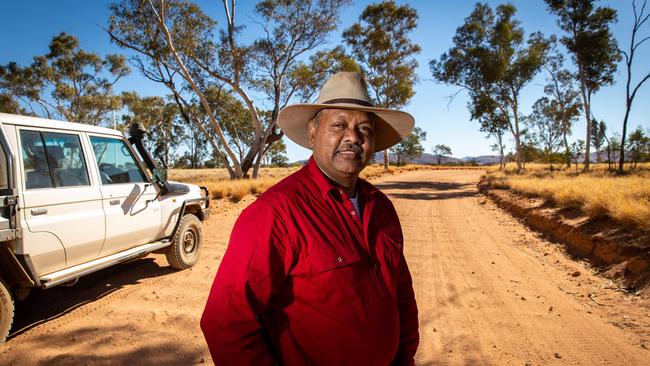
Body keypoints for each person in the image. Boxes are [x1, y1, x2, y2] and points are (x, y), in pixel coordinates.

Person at [200, 72, 419, 365]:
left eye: (364, 128)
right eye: (339, 125)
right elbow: (225, 323)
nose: (353, 137)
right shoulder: (275, 213)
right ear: (314, 131)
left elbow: (400, 293)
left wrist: (403, 357)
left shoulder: (382, 207)